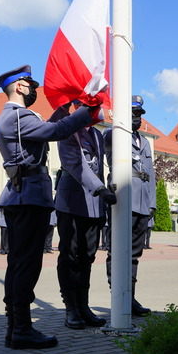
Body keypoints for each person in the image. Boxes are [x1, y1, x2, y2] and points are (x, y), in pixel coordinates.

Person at [0, 64, 97, 350]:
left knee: (17, 264)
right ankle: (22, 330)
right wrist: (87, 110)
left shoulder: (14, 117)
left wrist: (67, 107)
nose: (34, 90)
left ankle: (15, 328)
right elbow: (58, 131)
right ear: (18, 87)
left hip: (22, 196)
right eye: (30, 85)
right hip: (29, 197)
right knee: (26, 265)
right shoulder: (17, 117)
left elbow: (50, 125)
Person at [55, 100, 116, 329]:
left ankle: (83, 306)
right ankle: (70, 308)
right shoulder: (67, 129)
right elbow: (75, 163)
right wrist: (100, 188)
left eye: (95, 106)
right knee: (70, 255)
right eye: (88, 105)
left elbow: (101, 165)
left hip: (93, 204)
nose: (93, 111)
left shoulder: (98, 136)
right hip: (71, 202)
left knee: (87, 256)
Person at [103, 95, 156, 316]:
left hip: (142, 203)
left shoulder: (144, 141)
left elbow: (150, 174)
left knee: (134, 255)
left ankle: (130, 297)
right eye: (133, 114)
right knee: (117, 252)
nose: (137, 118)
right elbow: (109, 142)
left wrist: (152, 204)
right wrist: (118, 123)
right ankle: (119, 297)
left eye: (139, 115)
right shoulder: (113, 135)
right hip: (124, 200)